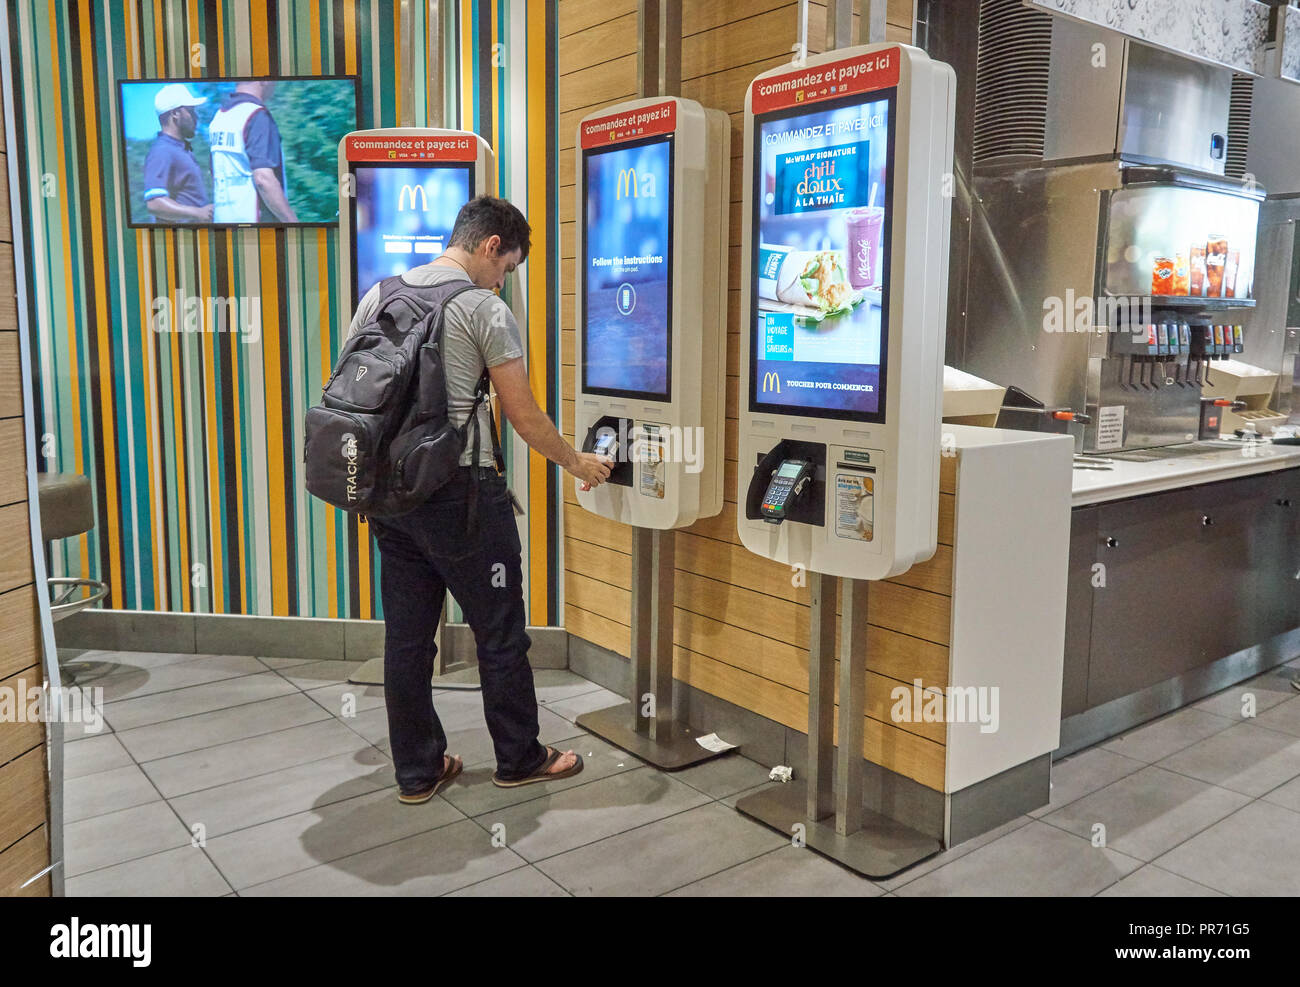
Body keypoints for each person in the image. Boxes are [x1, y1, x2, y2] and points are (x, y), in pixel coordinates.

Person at [348, 196, 612, 803]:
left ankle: (418, 771)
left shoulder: (378, 295)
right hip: (462, 497)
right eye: (509, 266)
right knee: (498, 632)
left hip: (392, 497)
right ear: (492, 246)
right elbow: (522, 415)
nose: (505, 279)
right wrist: (577, 462)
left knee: (408, 640)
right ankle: (519, 757)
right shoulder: (482, 307)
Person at [208, 80, 297, 223]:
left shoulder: (218, 118)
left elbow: (213, 172)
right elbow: (263, 179)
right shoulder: (256, 115)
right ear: (264, 80)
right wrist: (293, 223)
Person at [141, 84, 213, 224]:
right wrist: (198, 213)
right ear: (175, 113)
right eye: (191, 111)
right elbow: (155, 203)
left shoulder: (179, 149)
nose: (196, 117)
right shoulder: (163, 151)